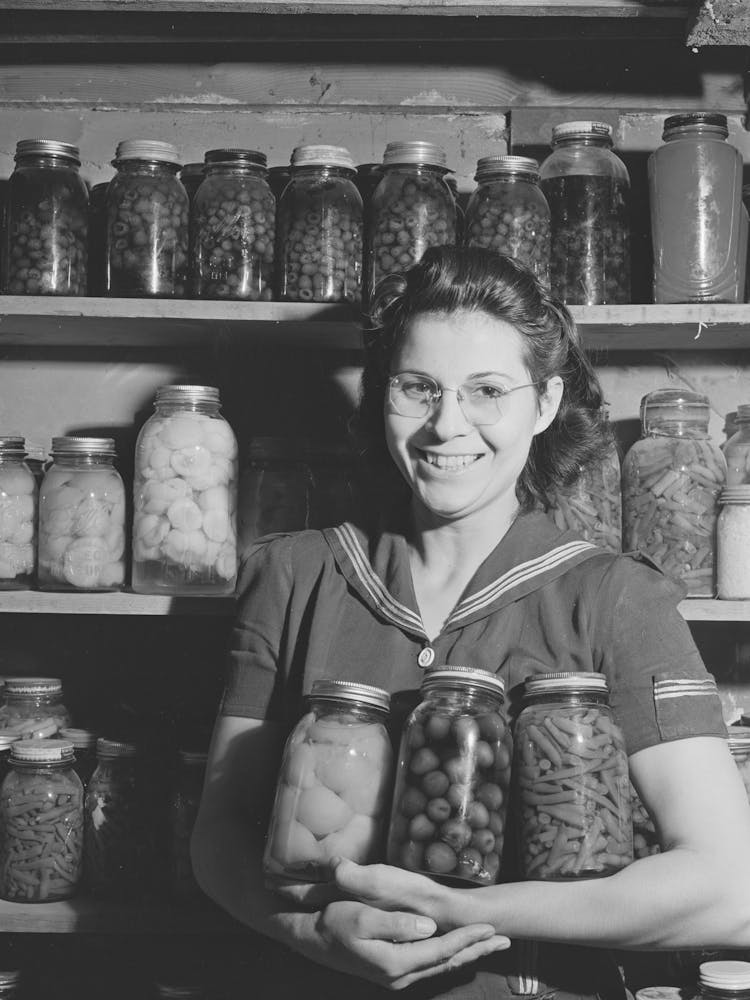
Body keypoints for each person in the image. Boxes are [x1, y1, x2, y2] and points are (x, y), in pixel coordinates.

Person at [191, 247, 750, 1000]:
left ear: (544, 404)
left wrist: (463, 910)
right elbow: (220, 834)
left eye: (487, 390)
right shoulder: (293, 576)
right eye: (418, 388)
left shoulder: (615, 598)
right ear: (381, 393)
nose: (446, 426)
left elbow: (729, 887)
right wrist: (309, 932)